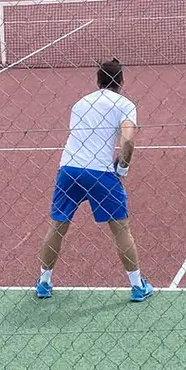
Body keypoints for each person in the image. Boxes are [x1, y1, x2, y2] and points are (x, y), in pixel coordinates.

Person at [35, 59, 153, 302]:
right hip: (100, 173)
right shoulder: (125, 105)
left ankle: (44, 283)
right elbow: (128, 140)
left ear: (98, 80)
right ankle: (137, 286)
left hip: (68, 170)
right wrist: (122, 168)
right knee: (121, 230)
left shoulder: (80, 103)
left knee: (57, 226)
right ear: (121, 81)